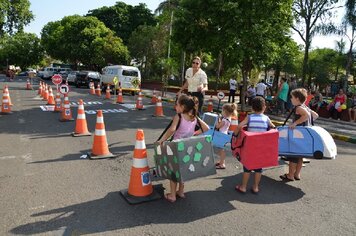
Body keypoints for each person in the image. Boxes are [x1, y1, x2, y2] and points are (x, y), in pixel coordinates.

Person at [157, 94, 209, 203]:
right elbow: (206, 128)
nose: (175, 107)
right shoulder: (194, 117)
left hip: (176, 147)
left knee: (173, 172)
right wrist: (194, 134)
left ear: (183, 107)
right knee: (183, 171)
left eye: (177, 105)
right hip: (187, 148)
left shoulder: (179, 116)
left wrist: (162, 140)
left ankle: (172, 195)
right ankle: (180, 192)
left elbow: (172, 130)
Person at [234, 97, 275, 194]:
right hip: (262, 147)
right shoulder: (266, 118)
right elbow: (273, 127)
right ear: (264, 107)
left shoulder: (250, 117)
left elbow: (240, 126)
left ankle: (243, 187)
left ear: (252, 108)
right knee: (258, 168)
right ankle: (256, 187)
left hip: (250, 147)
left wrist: (235, 135)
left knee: (247, 167)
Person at [280, 88, 319, 182]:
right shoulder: (305, 107)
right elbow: (315, 115)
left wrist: (295, 123)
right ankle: (297, 174)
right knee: (300, 155)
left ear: (297, 98)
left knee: (293, 155)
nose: (290, 99)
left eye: (292, 97)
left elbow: (305, 116)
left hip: (298, 135)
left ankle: (290, 175)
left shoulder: (299, 108)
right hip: (304, 135)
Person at [215, 103, 238, 169]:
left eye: (222, 111)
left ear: (225, 111)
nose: (221, 112)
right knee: (221, 150)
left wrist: (217, 120)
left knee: (221, 150)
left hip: (221, 135)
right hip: (224, 134)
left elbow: (217, 126)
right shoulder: (228, 118)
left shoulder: (224, 120)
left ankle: (222, 164)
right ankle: (221, 162)